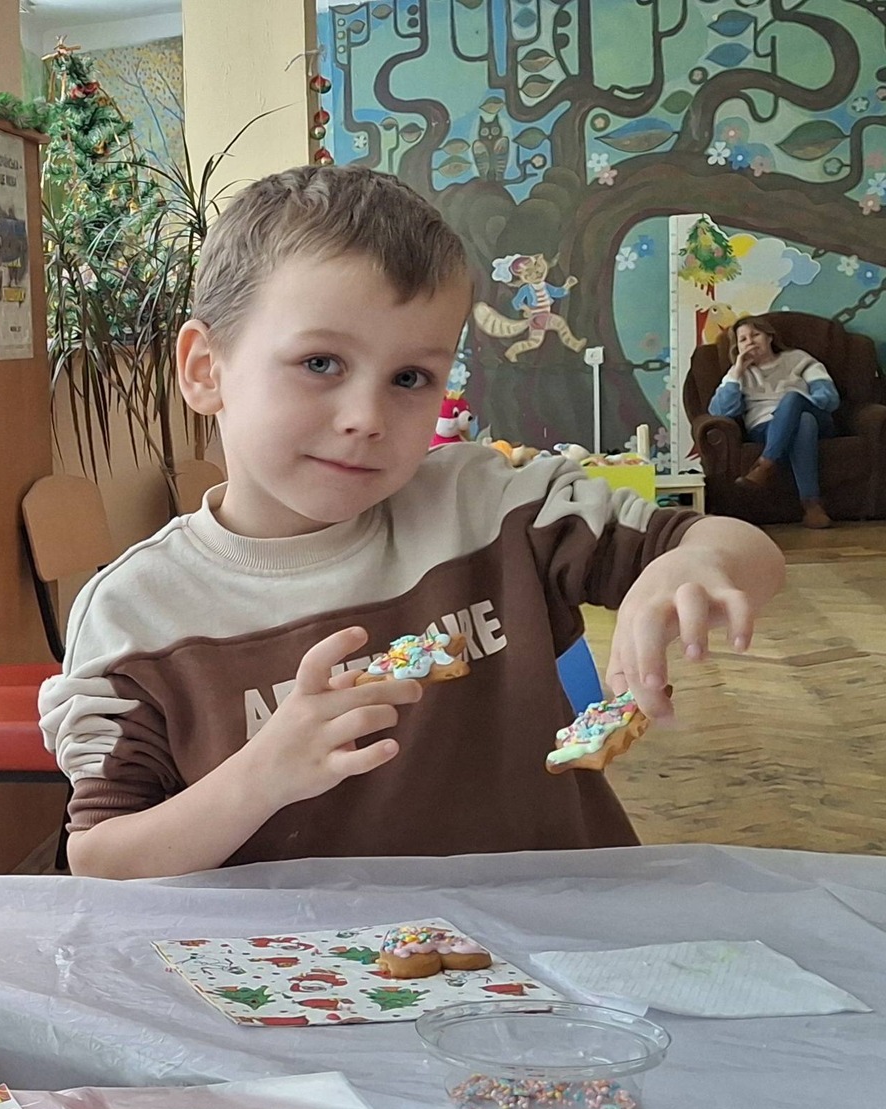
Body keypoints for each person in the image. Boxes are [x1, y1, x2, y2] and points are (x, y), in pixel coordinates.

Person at [39, 166, 786, 880]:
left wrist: (692, 563)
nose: (367, 417)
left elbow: (742, 550)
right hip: (307, 963)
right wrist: (262, 775)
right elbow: (102, 856)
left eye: (410, 378)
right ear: (206, 369)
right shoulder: (137, 615)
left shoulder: (491, 507)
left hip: (554, 941)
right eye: (321, 363)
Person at [710, 315, 840, 529]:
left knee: (794, 401)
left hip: (817, 416)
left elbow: (829, 397)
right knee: (804, 422)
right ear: (738, 347)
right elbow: (720, 411)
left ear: (769, 337)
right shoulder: (739, 373)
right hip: (766, 428)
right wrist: (736, 373)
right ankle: (812, 506)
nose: (750, 341)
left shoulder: (798, 359)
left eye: (756, 334)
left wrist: (794, 408)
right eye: (743, 339)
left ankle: (765, 465)